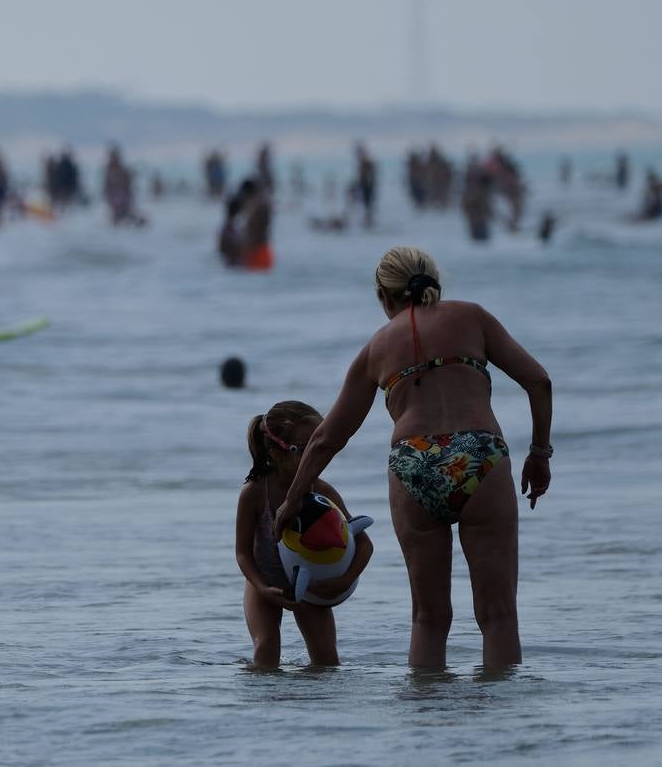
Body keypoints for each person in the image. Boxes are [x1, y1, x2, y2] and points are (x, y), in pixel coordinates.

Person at [273, 246, 552, 670]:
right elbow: (539, 381)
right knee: (498, 616)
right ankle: (502, 724)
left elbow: (328, 437)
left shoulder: (376, 348)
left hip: (412, 463)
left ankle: (426, 726)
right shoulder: (472, 316)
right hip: (480, 454)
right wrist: (539, 453)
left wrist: (292, 500)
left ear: (384, 297)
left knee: (428, 617)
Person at [236, 401, 373, 668]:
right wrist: (262, 588)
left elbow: (364, 543)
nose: (317, 454)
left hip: (313, 589)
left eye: (319, 445)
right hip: (264, 583)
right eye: (308, 448)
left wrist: (344, 580)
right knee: (266, 650)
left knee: (327, 661)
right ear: (277, 452)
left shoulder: (321, 491)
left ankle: (313, 708)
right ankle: (262, 708)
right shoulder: (254, 493)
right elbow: (242, 552)